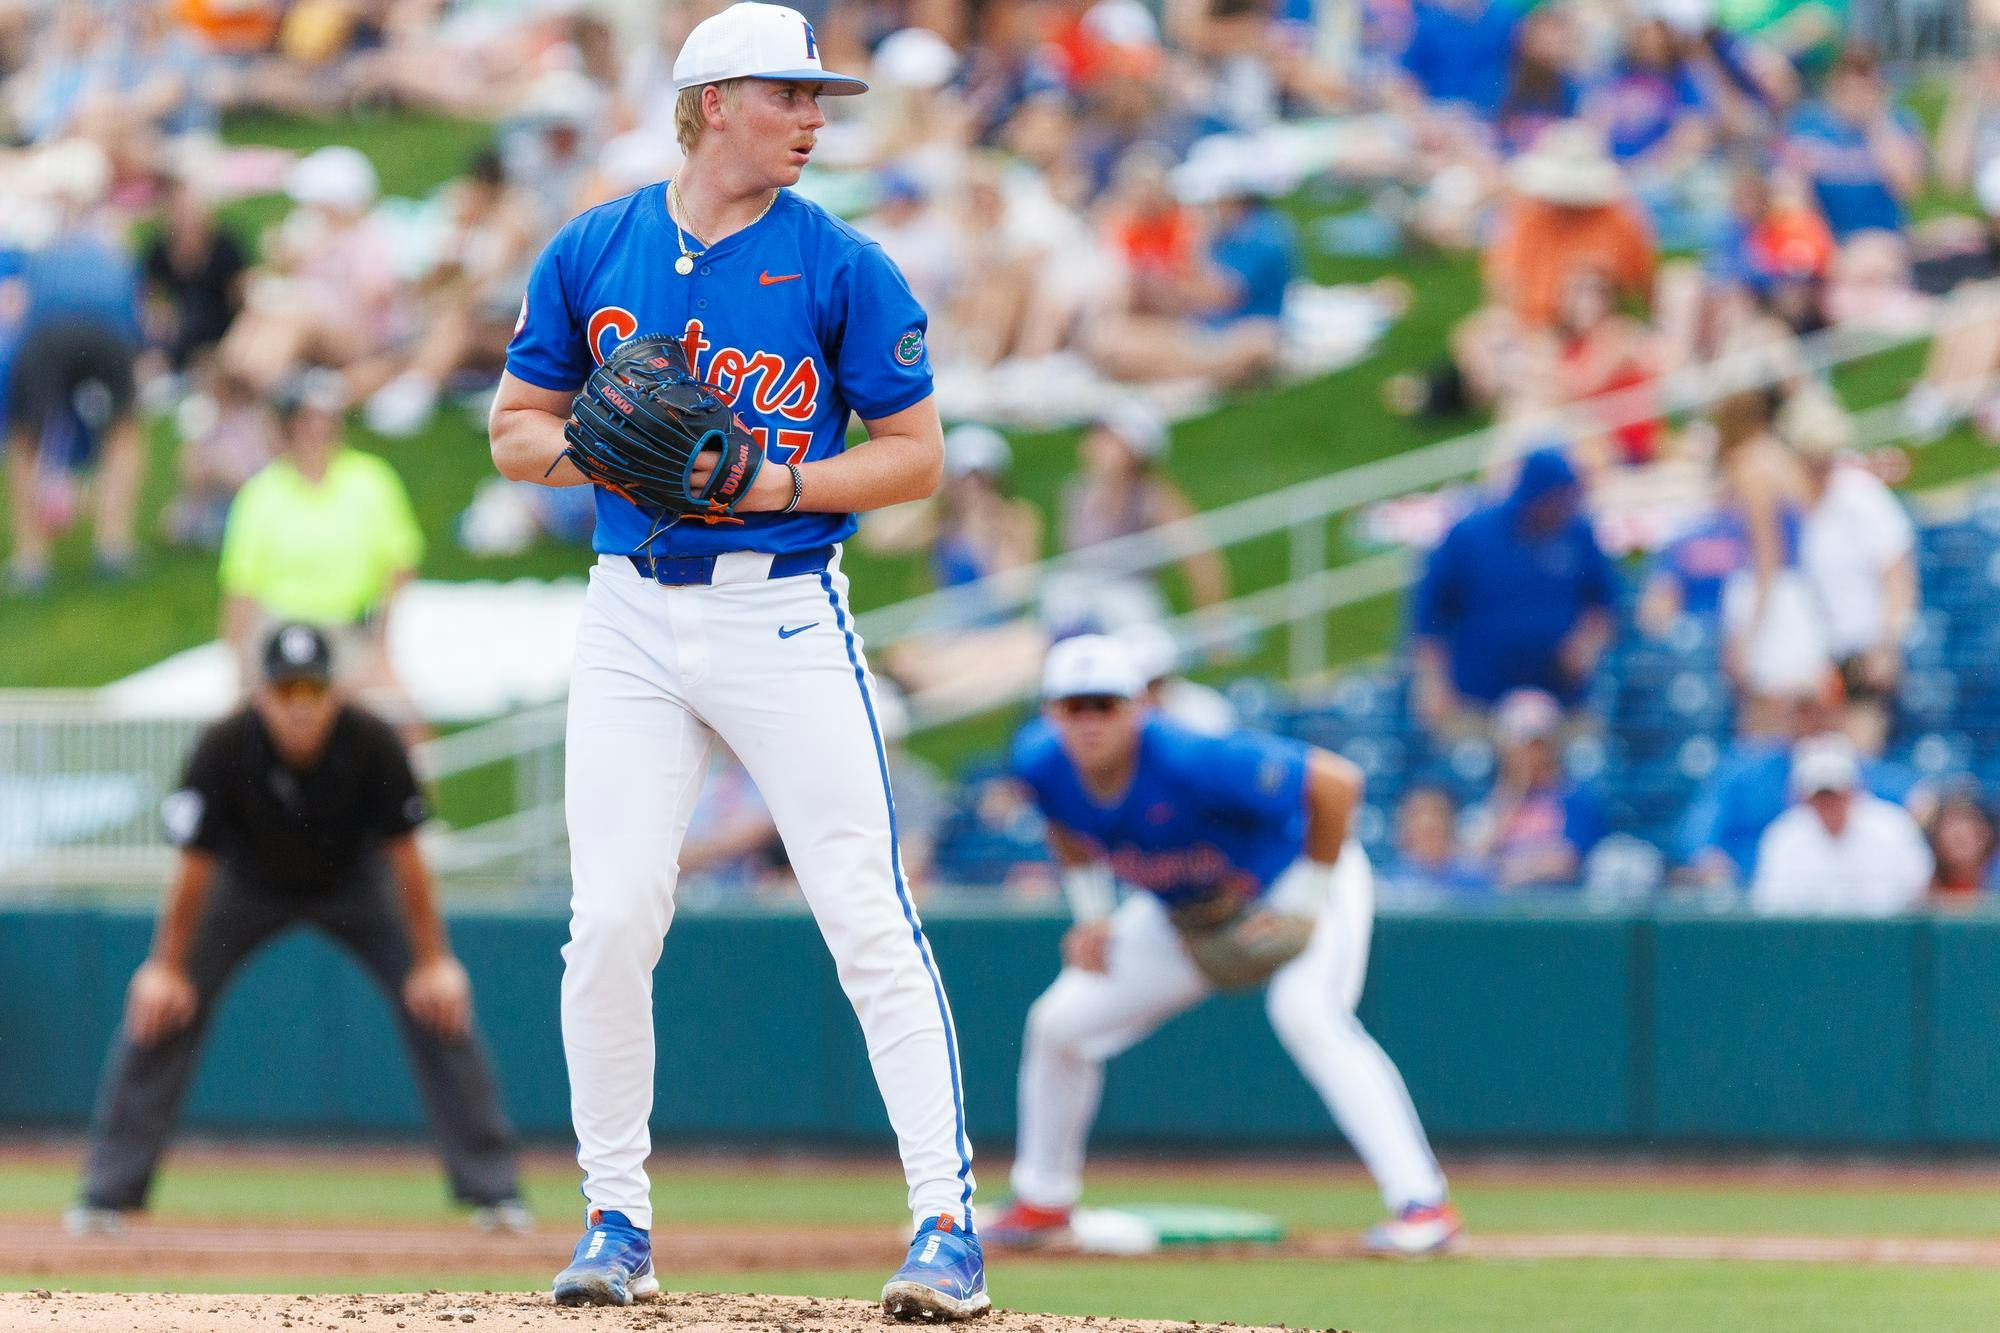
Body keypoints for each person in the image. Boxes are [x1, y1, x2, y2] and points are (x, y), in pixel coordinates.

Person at [486, 4, 983, 1316]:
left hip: (782, 608)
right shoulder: (595, 245)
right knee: (608, 921)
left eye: (821, 97)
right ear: (712, 102)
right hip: (632, 611)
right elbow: (513, 431)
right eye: (792, 93)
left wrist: (781, 481)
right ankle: (615, 1221)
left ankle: (946, 1223)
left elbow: (917, 451)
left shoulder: (842, 263)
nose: (817, 116)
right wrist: (604, 451)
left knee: (865, 915)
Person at [988, 636, 1459, 1257]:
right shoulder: (1041, 762)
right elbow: (1063, 822)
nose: (1091, 720)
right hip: (1182, 911)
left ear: (1139, 708)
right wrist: (1094, 912)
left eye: (1106, 704)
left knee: (1309, 1014)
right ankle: (1044, 1202)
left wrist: (1306, 899)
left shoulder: (1190, 757)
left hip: (1297, 877)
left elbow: (1337, 783)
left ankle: (1423, 1204)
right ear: (1052, 712)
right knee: (1059, 1024)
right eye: (1076, 706)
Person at [64, 624, 526, 1236]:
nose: (301, 706)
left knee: (437, 1001)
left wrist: (434, 959)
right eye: (287, 691)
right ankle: (107, 1193)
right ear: (263, 695)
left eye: (313, 690)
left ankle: (493, 1192)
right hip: (248, 880)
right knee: (160, 1006)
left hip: (353, 882)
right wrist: (166, 967)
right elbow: (194, 865)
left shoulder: (372, 741)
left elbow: (407, 856)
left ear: (334, 693)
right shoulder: (225, 744)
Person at [217, 369, 423, 717]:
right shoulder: (260, 493)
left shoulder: (372, 480)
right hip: (277, 633)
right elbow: (240, 589)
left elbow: (401, 566)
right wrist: (240, 668)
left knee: (402, 715)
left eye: (325, 420)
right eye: (306, 421)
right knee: (250, 725)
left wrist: (380, 647)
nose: (317, 431)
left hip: (347, 631)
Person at [1410, 447, 1620, 732]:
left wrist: (1586, 644)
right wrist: (1432, 681)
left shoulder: (1578, 534)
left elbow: (1603, 605)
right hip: (1479, 702)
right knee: (1467, 764)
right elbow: (1430, 617)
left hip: (1561, 701)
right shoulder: (1471, 536)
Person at [1785, 386, 1915, 758]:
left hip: (1859, 654)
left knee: (1858, 753)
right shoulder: (1786, 506)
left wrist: (1886, 644)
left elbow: (1898, 578)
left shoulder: (1862, 497)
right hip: (1804, 659)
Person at [1750, 733, 1932, 916]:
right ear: (1803, 797)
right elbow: (1770, 907)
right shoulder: (1783, 836)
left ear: (1854, 789)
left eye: (1836, 794)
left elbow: (1919, 895)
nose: (1829, 804)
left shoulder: (1893, 826)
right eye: (1821, 796)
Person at [1465, 688, 1606, 890]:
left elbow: (1567, 862)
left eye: (1539, 746)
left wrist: (1510, 870)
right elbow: (1473, 861)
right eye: (1522, 746)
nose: (1531, 756)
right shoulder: (1487, 798)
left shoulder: (1575, 797)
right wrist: (1513, 796)